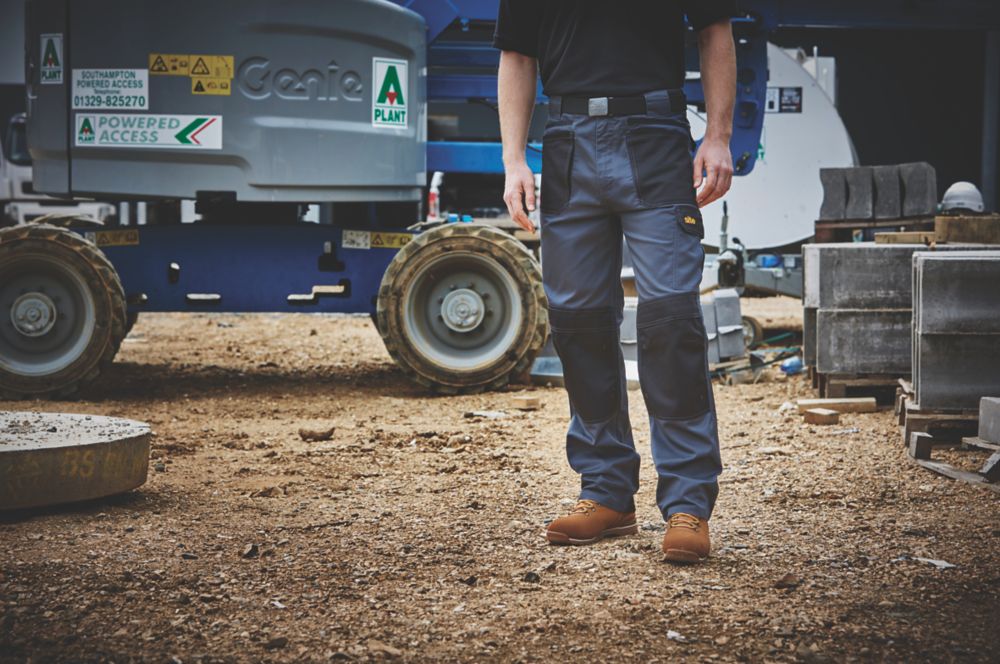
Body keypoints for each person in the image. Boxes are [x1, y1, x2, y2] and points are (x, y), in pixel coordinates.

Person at [495, 1, 736, 563]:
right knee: (578, 326)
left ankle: (688, 503)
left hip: (654, 134)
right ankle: (605, 491)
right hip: (567, 140)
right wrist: (512, 160)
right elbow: (517, 54)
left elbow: (715, 29)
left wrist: (719, 135)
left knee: (670, 321)